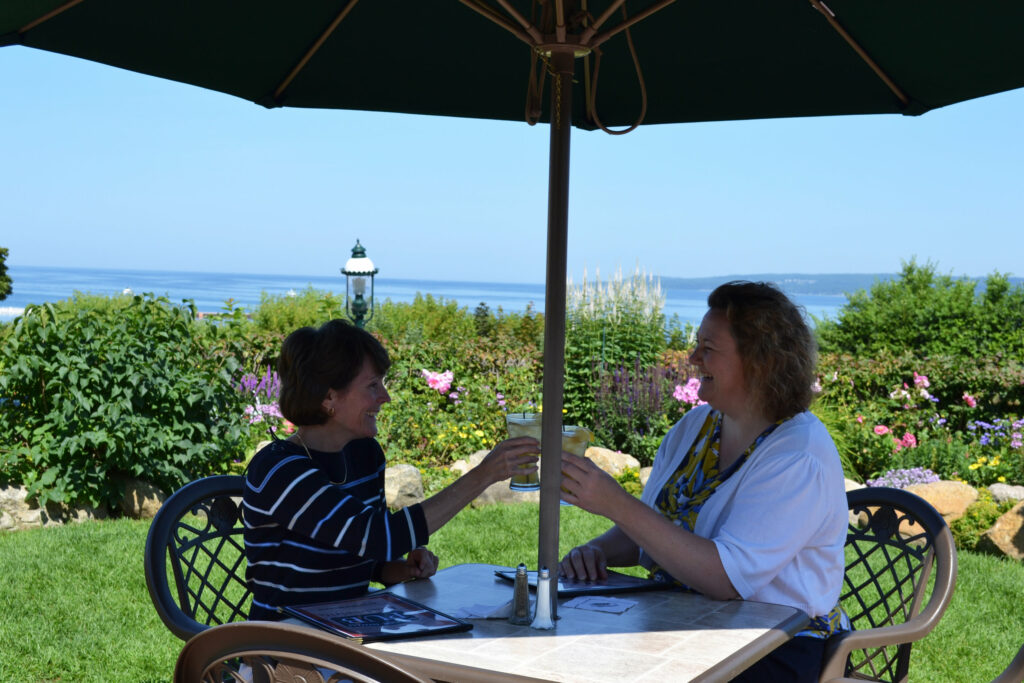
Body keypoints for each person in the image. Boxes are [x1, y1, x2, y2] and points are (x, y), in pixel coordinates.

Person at [558, 281, 848, 682]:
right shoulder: (696, 426)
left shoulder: (797, 456)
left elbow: (726, 579)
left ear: (759, 362)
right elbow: (657, 528)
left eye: (708, 349)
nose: (693, 358)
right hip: (685, 623)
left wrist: (615, 502)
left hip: (775, 646)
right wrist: (595, 551)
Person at [243, 319, 539, 622]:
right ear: (329, 397)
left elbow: (358, 550)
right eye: (373, 385)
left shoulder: (364, 455)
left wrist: (397, 568)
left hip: (348, 631)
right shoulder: (280, 470)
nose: (385, 397)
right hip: (283, 646)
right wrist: (484, 474)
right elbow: (375, 536)